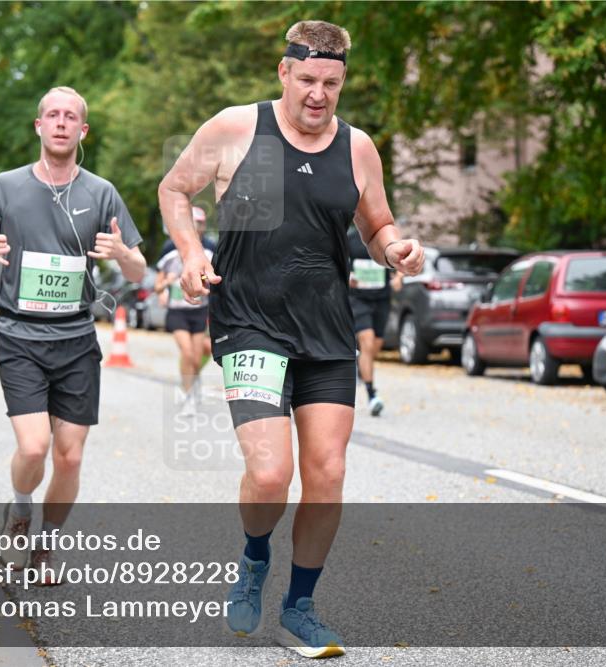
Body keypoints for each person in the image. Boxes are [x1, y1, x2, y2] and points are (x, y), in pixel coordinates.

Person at [158, 21, 425, 658]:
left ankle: (300, 607)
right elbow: (174, 188)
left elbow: (377, 221)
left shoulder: (358, 148)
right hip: (250, 323)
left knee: (327, 472)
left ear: (342, 81)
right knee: (272, 472)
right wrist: (192, 251)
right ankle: (254, 557)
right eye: (307, 80)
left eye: (331, 83)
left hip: (328, 330)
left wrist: (397, 250)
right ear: (284, 72)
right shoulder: (236, 129)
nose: (318, 94)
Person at [0, 86, 145, 576]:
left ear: (82, 130)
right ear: (39, 126)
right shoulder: (6, 186)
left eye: (71, 117)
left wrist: (123, 254)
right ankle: (21, 507)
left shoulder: (101, 191)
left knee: (68, 458)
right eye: (52, 115)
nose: (62, 122)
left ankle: (46, 543)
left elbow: (136, 270)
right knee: (33, 447)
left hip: (76, 338)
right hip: (20, 335)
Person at [155, 206, 212, 415]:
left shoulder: (210, 249)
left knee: (196, 358)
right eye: (191, 224)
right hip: (177, 311)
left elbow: (217, 280)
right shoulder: (170, 249)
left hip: (199, 311)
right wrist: (164, 288)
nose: (195, 229)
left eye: (198, 224)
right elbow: (157, 284)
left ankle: (193, 386)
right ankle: (188, 396)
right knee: (187, 353)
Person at [347, 226, 394, 416]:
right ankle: (372, 394)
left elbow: (396, 260)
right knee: (367, 341)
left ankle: (361, 365)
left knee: (375, 345)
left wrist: (399, 277)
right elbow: (335, 261)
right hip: (358, 298)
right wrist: (346, 276)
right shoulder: (348, 238)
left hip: (382, 297)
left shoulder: (383, 236)